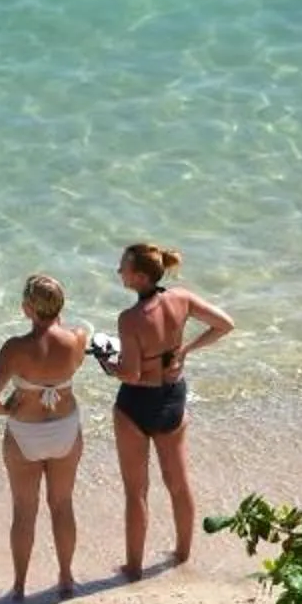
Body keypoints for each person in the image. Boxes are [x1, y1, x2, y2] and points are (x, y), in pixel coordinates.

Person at [99, 241, 233, 578]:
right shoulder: (182, 299)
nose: (119, 272)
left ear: (140, 277)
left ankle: (133, 567)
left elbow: (130, 374)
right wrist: (187, 349)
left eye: (124, 268)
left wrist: (107, 363)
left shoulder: (129, 319)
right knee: (178, 482)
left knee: (136, 490)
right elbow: (224, 324)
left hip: (135, 404)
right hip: (172, 396)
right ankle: (183, 553)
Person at [0, 272, 89, 600]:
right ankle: (67, 578)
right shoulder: (77, 339)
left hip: (25, 432)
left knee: (24, 510)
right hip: (66, 429)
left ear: (27, 308)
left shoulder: (15, 349)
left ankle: (19, 587)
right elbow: (72, 360)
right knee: (63, 504)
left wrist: (6, 410)